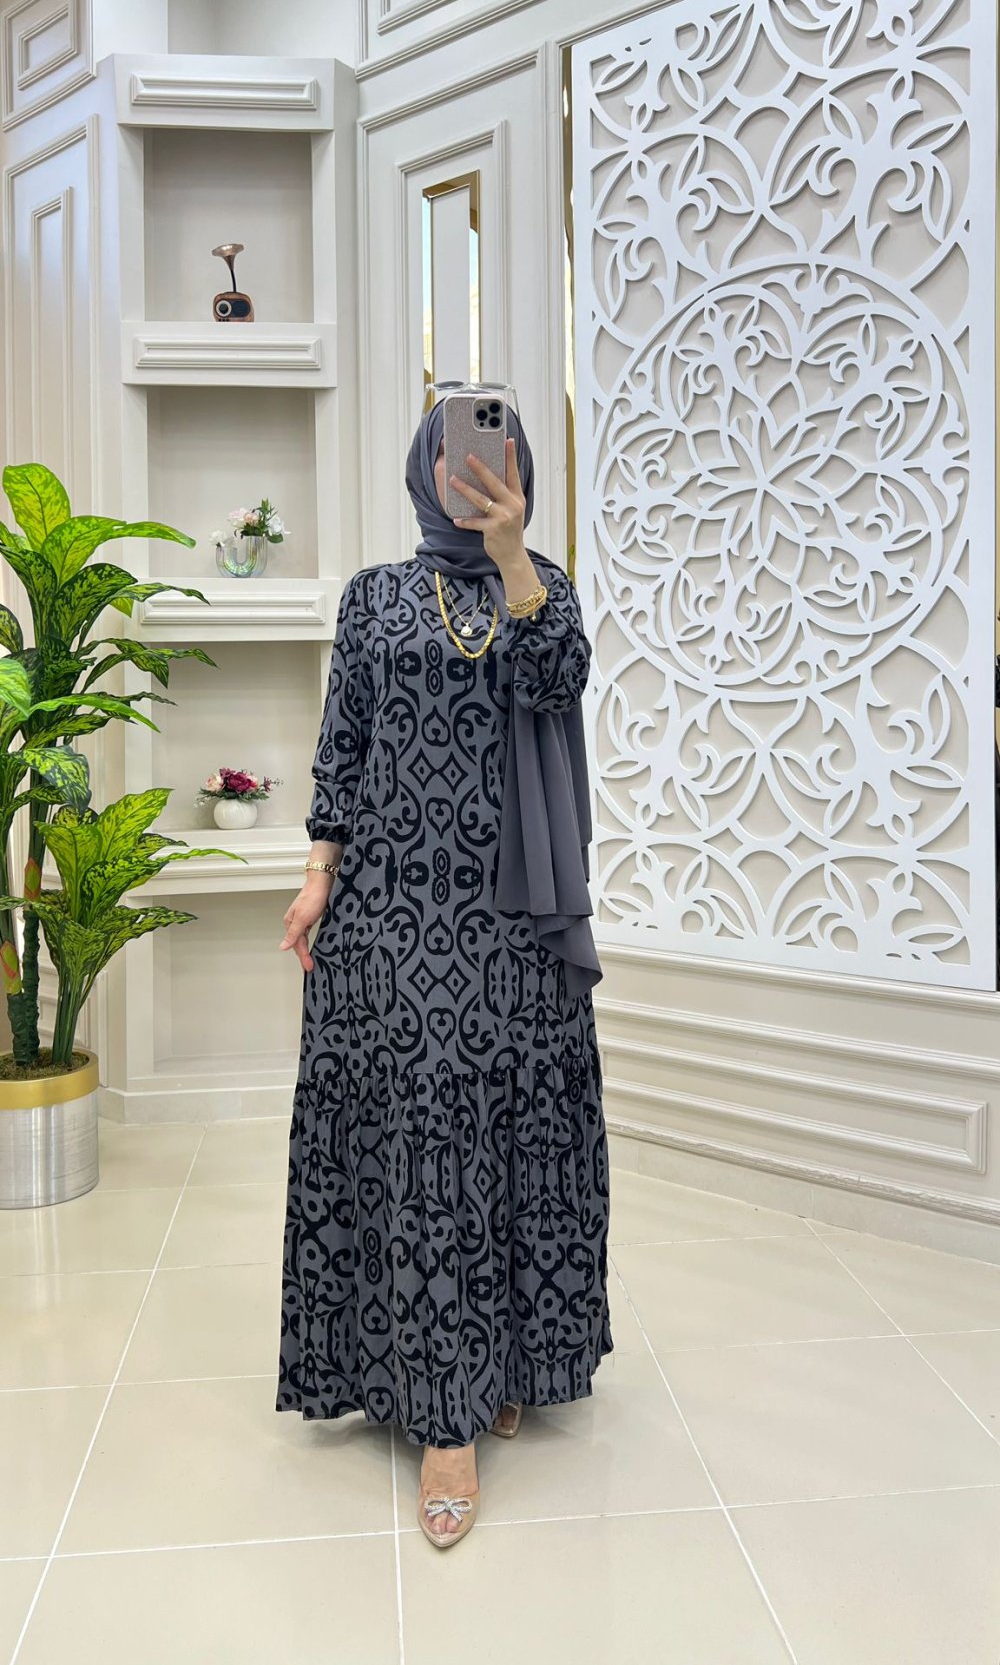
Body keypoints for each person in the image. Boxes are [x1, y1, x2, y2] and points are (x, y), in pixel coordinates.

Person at [276, 397, 614, 1549]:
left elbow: (557, 678)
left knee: (511, 1140)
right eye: (459, 455)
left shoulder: (543, 588)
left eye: (496, 454)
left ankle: (500, 1358)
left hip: (515, 922)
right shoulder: (372, 596)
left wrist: (513, 552)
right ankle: (443, 1415)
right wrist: (317, 873)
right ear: (427, 466)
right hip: (391, 917)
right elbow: (343, 744)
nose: (473, 471)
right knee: (423, 1149)